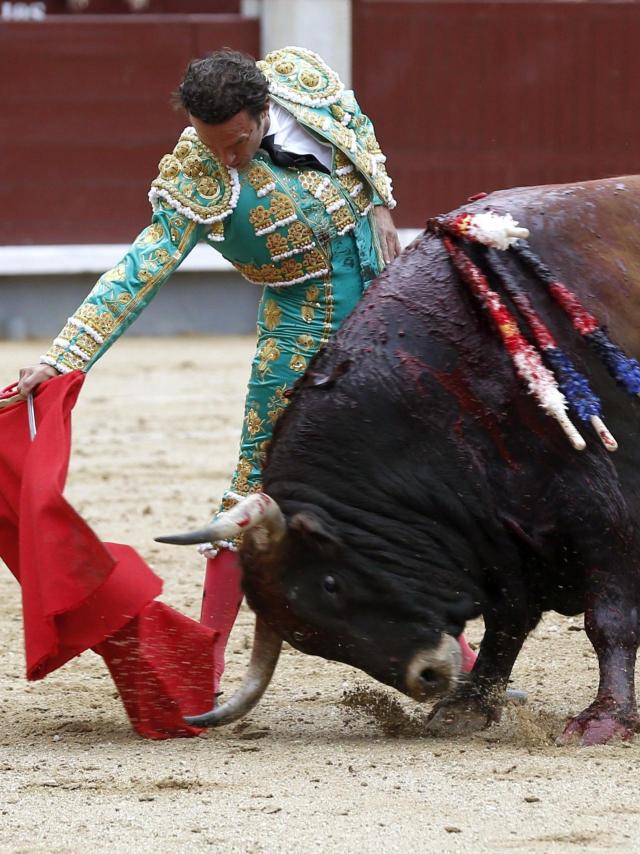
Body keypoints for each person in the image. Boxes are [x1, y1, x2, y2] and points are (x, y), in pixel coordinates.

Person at [17, 46, 476, 698]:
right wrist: (64, 358)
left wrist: (380, 198)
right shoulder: (197, 177)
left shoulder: (305, 83)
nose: (226, 159)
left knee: (406, 483)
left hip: (387, 319)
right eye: (213, 145)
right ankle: (199, 670)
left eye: (236, 142)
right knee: (250, 492)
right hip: (298, 338)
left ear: (264, 110)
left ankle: (459, 654)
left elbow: (358, 128)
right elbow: (137, 272)